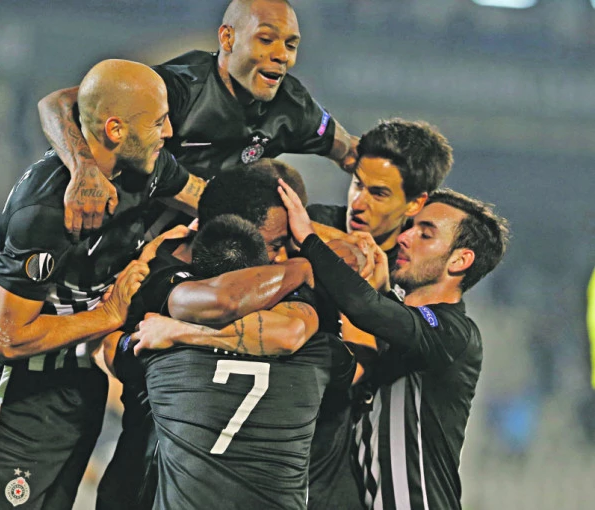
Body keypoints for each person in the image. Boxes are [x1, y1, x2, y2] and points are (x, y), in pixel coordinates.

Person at [0, 59, 206, 510]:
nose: (168, 131)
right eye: (158, 122)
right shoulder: (46, 210)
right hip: (18, 390)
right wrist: (107, 315)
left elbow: (208, 197)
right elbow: (7, 337)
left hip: (78, 384)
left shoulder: (147, 168)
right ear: (115, 129)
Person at [94, 166, 339, 510]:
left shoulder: (284, 277)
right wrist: (304, 268)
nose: (281, 257)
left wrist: (182, 333)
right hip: (146, 480)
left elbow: (288, 332)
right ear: (233, 232)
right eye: (275, 245)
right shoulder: (157, 275)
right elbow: (225, 301)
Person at [279, 182, 510, 510]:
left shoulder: (454, 333)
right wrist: (384, 293)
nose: (404, 237)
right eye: (410, 227)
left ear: (460, 260)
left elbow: (366, 307)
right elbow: (388, 317)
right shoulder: (411, 333)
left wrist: (308, 238)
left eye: (425, 234)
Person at [37, 0, 358, 236]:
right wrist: (84, 170)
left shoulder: (294, 107)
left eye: (291, 45)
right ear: (228, 38)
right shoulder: (180, 88)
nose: (282, 55)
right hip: (113, 229)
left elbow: (354, 153)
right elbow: (56, 103)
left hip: (194, 241)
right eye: (266, 39)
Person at [305, 117, 454, 510]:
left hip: (353, 459)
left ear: (415, 203)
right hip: (287, 432)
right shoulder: (309, 227)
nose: (358, 202)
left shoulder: (423, 280)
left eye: (378, 193)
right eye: (357, 184)